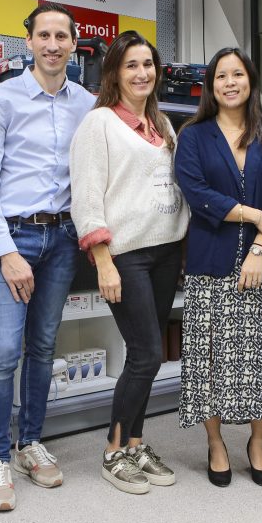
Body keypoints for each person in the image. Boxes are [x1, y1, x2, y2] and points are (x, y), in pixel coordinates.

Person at [0, 3, 95, 511]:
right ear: (29, 41)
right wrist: (5, 252)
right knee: (2, 352)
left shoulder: (86, 103)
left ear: (73, 42)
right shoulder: (0, 99)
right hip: (11, 238)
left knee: (43, 345)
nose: (52, 44)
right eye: (44, 35)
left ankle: (31, 443)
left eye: (61, 36)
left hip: (62, 240)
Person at [70, 31, 190, 495]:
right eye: (131, 65)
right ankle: (112, 452)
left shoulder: (163, 123)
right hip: (125, 256)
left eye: (148, 65)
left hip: (164, 253)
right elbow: (86, 197)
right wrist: (103, 261)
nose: (142, 73)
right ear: (115, 73)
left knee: (149, 355)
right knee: (145, 354)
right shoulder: (98, 123)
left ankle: (136, 443)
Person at [175, 47, 262, 488]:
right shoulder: (193, 135)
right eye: (221, 76)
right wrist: (252, 215)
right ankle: (215, 442)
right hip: (211, 262)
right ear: (211, 85)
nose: (230, 82)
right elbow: (197, 192)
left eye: (238, 74)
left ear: (251, 81)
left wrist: (261, 246)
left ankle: (257, 442)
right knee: (210, 357)